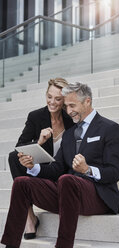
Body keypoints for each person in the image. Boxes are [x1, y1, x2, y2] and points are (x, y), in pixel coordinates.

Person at [1, 82, 119, 248]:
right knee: (22, 183)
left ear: (87, 101)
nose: (68, 111)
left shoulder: (110, 128)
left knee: (66, 180)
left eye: (72, 105)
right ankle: (10, 245)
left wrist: (87, 170)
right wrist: (32, 167)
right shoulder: (69, 134)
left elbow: (114, 173)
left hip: (98, 195)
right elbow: (56, 168)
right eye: (66, 106)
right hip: (68, 193)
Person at [8, 77, 74, 240]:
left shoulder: (71, 119)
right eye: (49, 97)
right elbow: (20, 146)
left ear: (64, 99)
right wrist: (39, 141)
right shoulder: (36, 116)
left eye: (58, 99)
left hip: (62, 169)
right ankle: (30, 217)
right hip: (41, 167)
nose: (52, 102)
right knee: (13, 158)